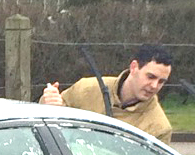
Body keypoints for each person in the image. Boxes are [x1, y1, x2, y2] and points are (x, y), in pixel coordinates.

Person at [40, 44, 174, 142]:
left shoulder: (159, 128)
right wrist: (47, 103)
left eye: (161, 81)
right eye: (150, 77)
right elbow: (46, 124)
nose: (154, 86)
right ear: (134, 67)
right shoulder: (87, 89)